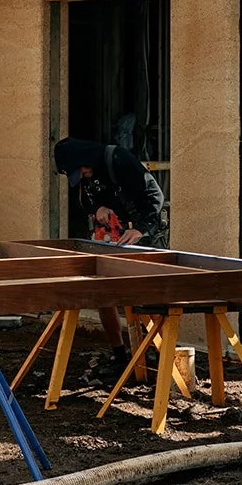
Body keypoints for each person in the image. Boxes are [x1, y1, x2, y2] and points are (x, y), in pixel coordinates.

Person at [53, 137, 167, 372]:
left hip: (142, 234)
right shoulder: (85, 175)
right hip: (112, 239)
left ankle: (160, 355)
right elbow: (82, 203)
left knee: (149, 296)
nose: (83, 175)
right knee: (103, 295)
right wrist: (98, 209)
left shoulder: (118, 159)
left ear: (84, 159)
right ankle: (120, 354)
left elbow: (155, 197)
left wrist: (140, 229)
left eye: (81, 170)